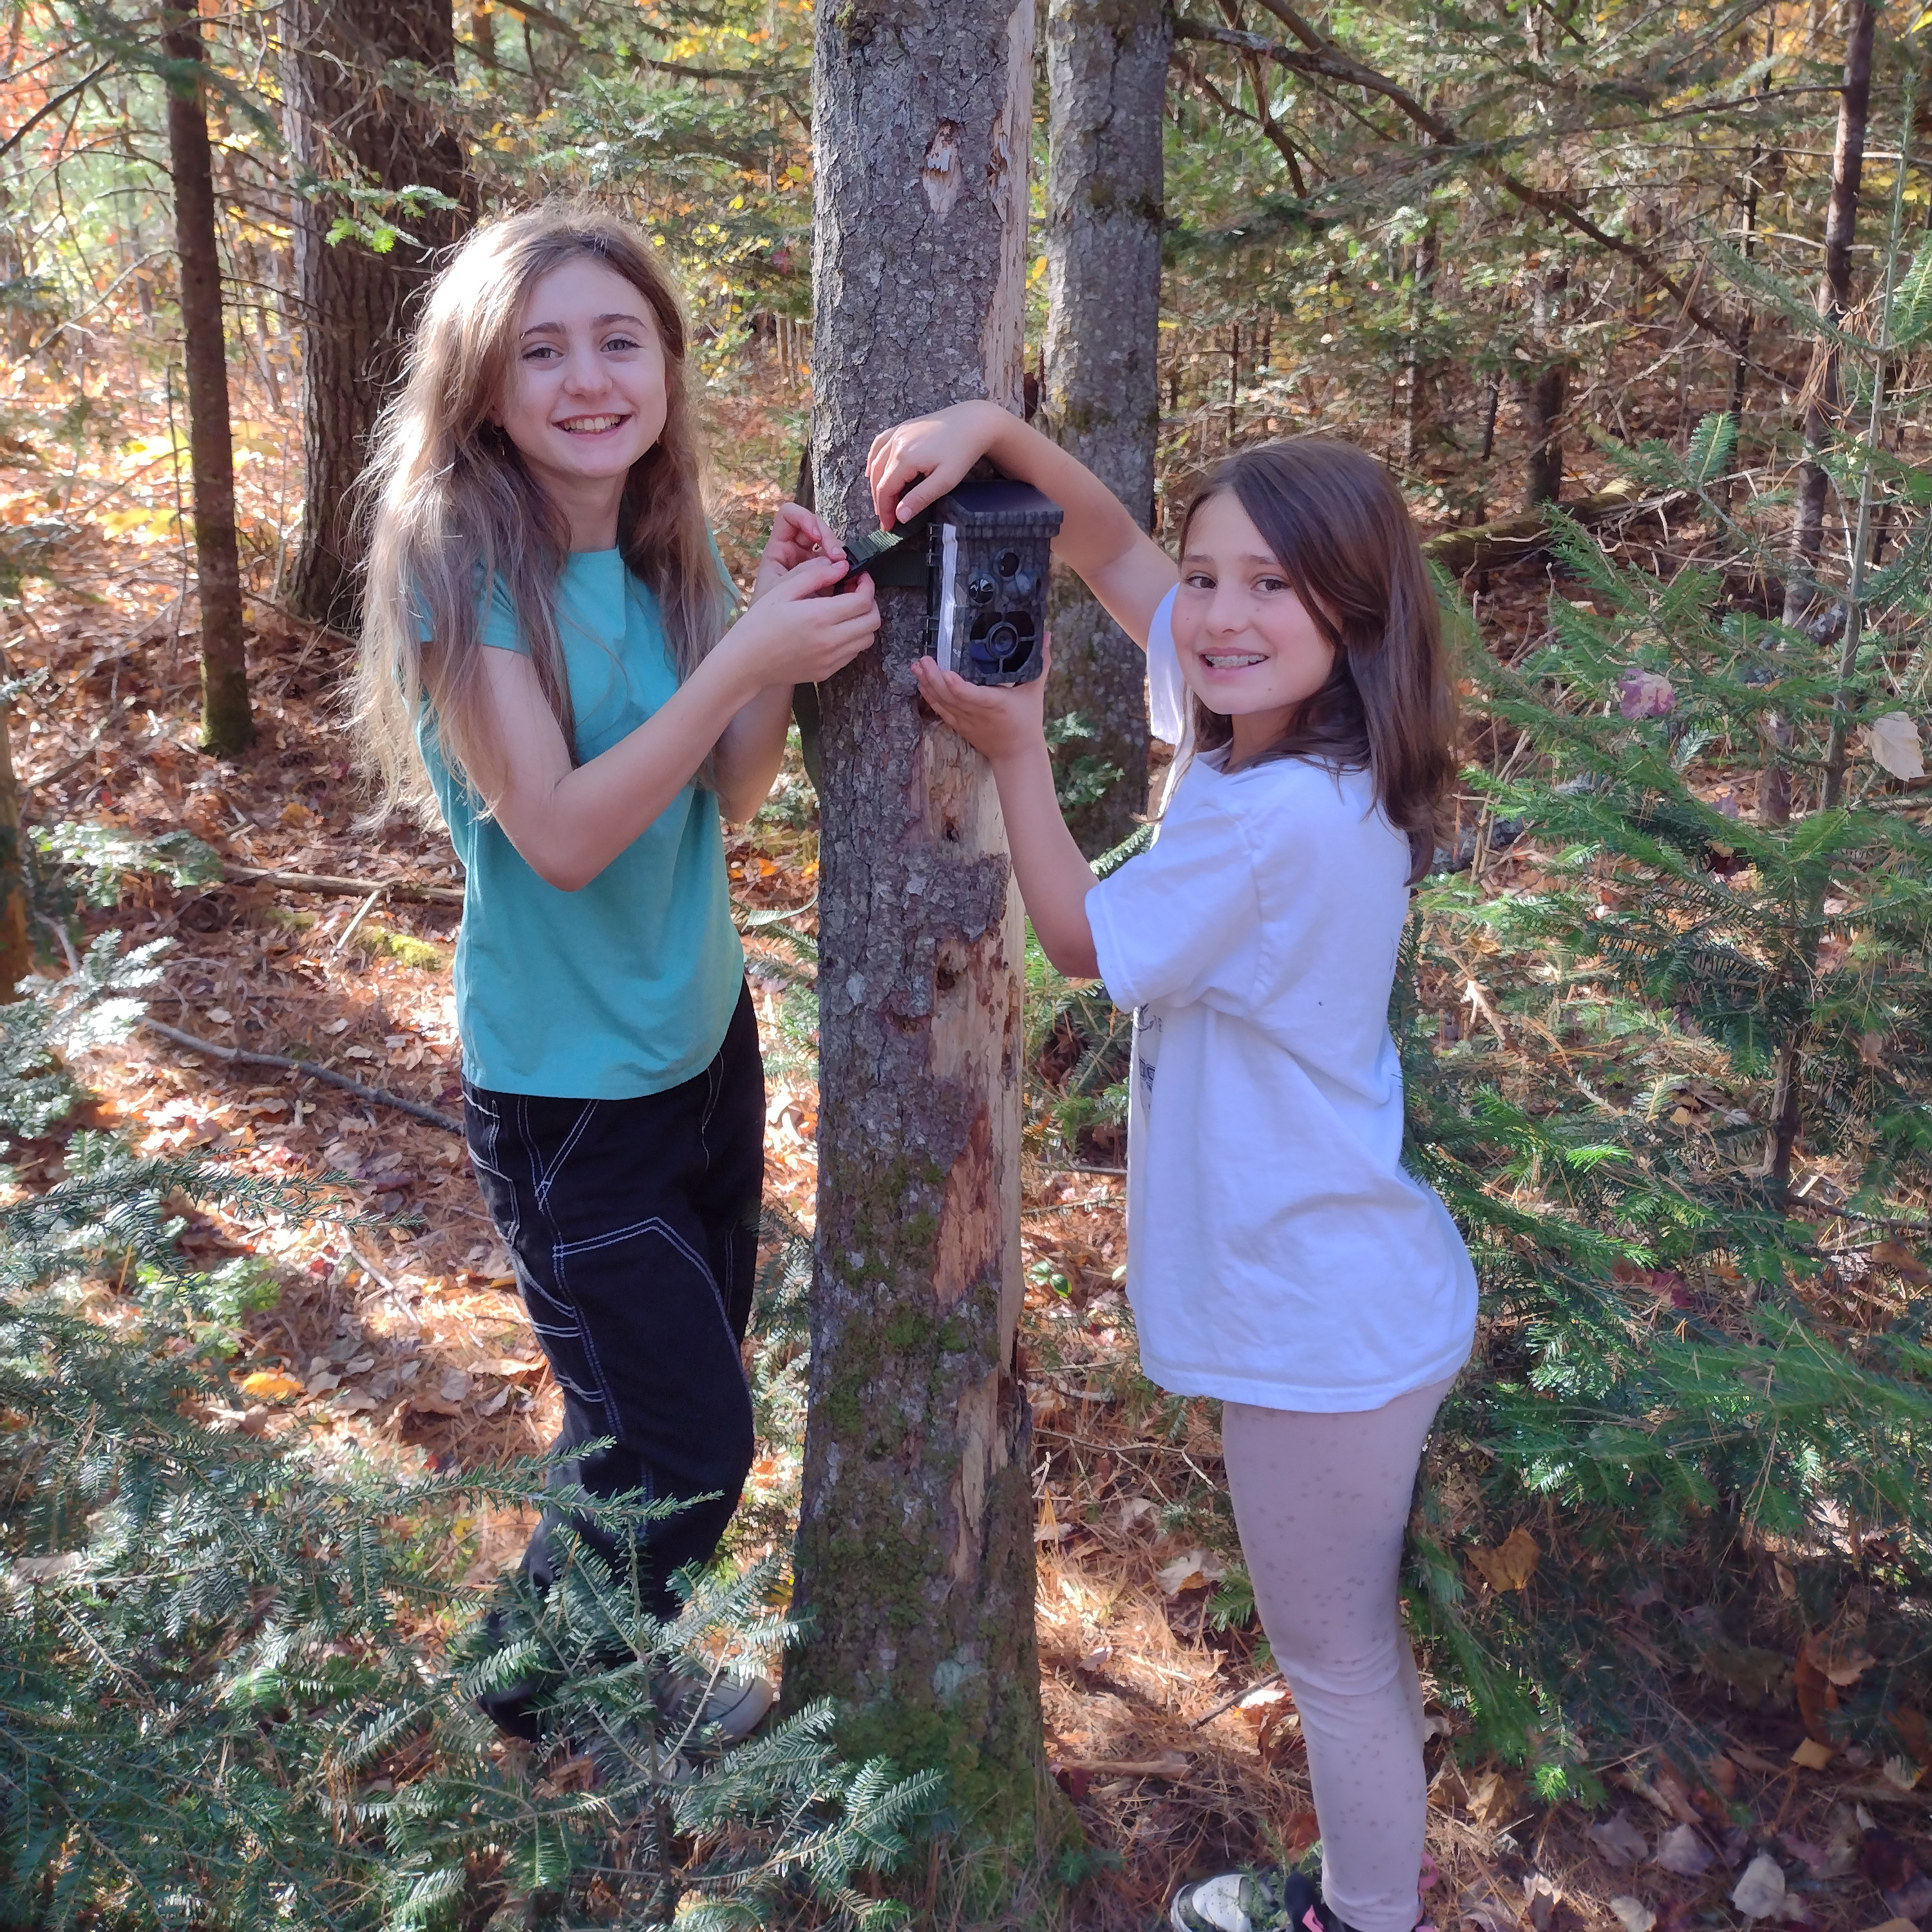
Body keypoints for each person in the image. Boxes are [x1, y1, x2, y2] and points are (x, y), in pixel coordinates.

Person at [867, 402, 1478, 1932]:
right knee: (1343, 1646)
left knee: (1336, 1659)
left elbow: (1080, 941)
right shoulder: (1290, 746)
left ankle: (1362, 1916)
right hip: (1350, 1277)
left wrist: (1013, 748)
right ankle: (1358, 1896)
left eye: (1273, 585)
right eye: (1213, 577)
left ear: (1356, 609)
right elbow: (1117, 551)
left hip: (1322, 1321)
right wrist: (1000, 432)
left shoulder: (1277, 817)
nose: (1218, 613)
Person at [354, 205, 878, 1740]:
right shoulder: (464, 566)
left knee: (633, 1419)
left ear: (665, 363)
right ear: (485, 386)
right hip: (565, 1094)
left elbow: (726, 787)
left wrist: (762, 635)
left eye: (619, 340)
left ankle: (586, 1671)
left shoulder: (664, 540)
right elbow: (568, 833)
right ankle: (528, 1695)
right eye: (544, 350)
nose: (589, 379)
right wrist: (747, 654)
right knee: (691, 1440)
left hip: (702, 1051)